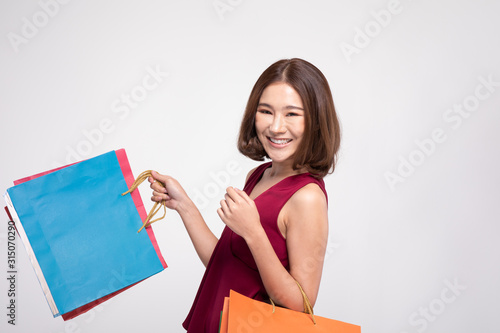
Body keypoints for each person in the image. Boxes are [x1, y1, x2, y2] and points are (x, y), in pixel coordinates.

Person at [148, 58, 341, 332]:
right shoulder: (259, 175)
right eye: (266, 111)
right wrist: (184, 206)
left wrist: (254, 232)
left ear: (316, 121)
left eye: (292, 114)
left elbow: (301, 304)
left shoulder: (307, 197)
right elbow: (226, 264)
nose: (275, 127)